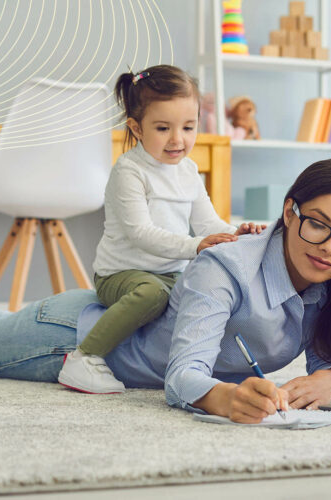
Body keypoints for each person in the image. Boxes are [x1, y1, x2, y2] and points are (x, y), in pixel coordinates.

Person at [0, 159, 331, 423]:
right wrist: (223, 398)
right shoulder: (223, 266)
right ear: (289, 211)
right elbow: (184, 374)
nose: (329, 248)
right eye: (317, 225)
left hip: (84, 318)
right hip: (70, 337)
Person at [59, 64, 265, 395]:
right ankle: (83, 357)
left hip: (171, 273)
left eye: (188, 127)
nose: (177, 139)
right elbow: (141, 233)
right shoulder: (129, 171)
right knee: (152, 294)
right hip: (122, 273)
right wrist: (196, 246)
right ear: (136, 128)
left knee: (210, 291)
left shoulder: (188, 171)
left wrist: (237, 233)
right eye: (163, 128)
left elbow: (208, 224)